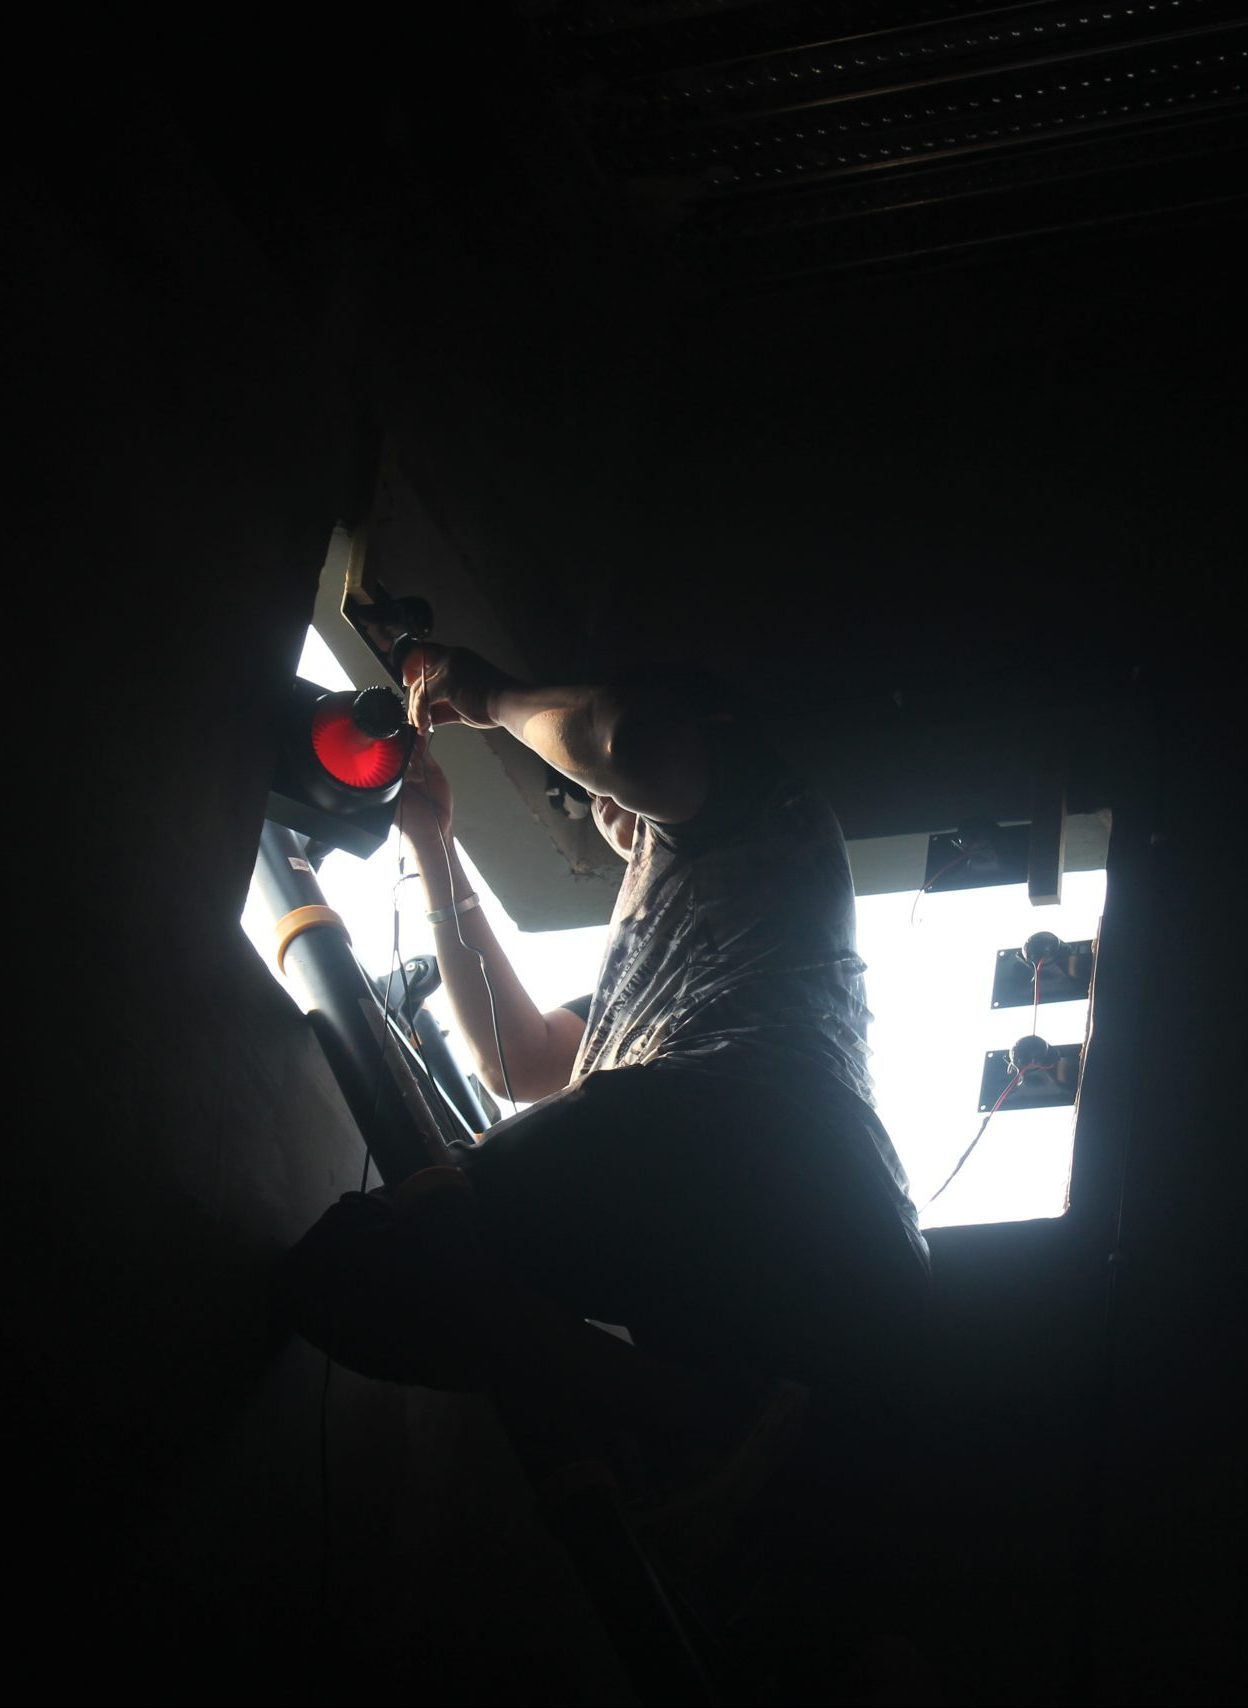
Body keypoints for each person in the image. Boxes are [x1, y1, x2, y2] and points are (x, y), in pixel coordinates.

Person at [278, 643, 930, 1424]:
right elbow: (519, 1061)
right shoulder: (678, 962)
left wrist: (488, 696)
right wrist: (434, 843)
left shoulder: (760, 800)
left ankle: (689, 1420)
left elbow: (634, 745)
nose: (590, 793)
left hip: (748, 1132)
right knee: (371, 1273)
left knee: (367, 1256)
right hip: (846, 1246)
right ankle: (706, 1422)